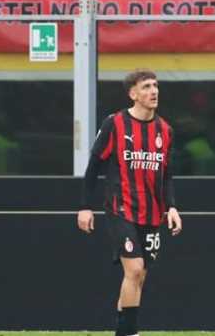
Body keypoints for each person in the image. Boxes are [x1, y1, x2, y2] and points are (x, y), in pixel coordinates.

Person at [78, 69, 183, 336]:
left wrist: (171, 207)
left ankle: (122, 328)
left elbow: (167, 175)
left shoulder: (165, 130)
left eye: (155, 85)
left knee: (138, 276)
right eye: (146, 86)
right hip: (121, 208)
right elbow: (93, 167)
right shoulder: (114, 124)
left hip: (153, 213)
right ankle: (130, 333)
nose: (153, 91)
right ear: (133, 94)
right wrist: (85, 206)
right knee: (134, 269)